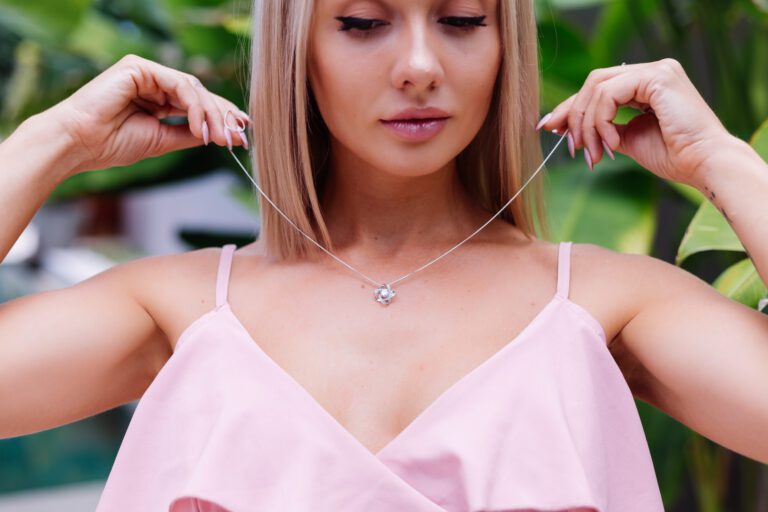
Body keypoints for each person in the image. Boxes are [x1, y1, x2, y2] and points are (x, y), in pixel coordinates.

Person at [1, 0, 767, 510]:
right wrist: (50, 142)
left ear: (506, 45)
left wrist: (723, 163)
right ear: (298, 48)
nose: (420, 66)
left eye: (463, 19)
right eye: (365, 22)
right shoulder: (176, 311)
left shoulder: (609, 305)